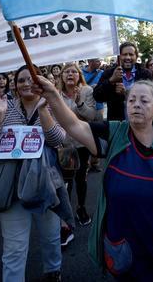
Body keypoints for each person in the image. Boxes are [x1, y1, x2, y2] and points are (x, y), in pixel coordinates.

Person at [36, 77, 153, 281]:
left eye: (144, 101)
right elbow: (74, 125)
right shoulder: (115, 133)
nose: (136, 104)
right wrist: (53, 95)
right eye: (131, 100)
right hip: (124, 239)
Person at [0, 65, 68, 282]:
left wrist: (44, 110)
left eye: (31, 79)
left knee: (50, 237)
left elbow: (58, 140)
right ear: (15, 86)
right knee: (14, 248)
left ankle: (53, 270)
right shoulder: (4, 107)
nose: (26, 84)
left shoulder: (54, 104)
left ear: (40, 83)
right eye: (21, 80)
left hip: (44, 183)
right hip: (11, 187)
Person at [59, 62, 101, 227]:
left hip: (82, 142)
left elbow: (91, 115)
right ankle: (66, 211)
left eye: (73, 72)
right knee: (66, 179)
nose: (70, 74)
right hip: (65, 144)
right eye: (66, 72)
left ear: (79, 75)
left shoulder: (87, 91)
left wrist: (79, 102)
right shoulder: (57, 94)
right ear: (62, 76)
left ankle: (81, 208)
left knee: (81, 178)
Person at [93, 42, 152, 120]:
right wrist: (111, 81)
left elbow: (151, 97)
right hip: (117, 124)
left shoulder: (145, 74)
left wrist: (127, 94)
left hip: (140, 121)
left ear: (136, 56)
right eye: (124, 54)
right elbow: (97, 96)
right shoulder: (110, 72)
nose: (128, 57)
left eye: (131, 54)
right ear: (119, 56)